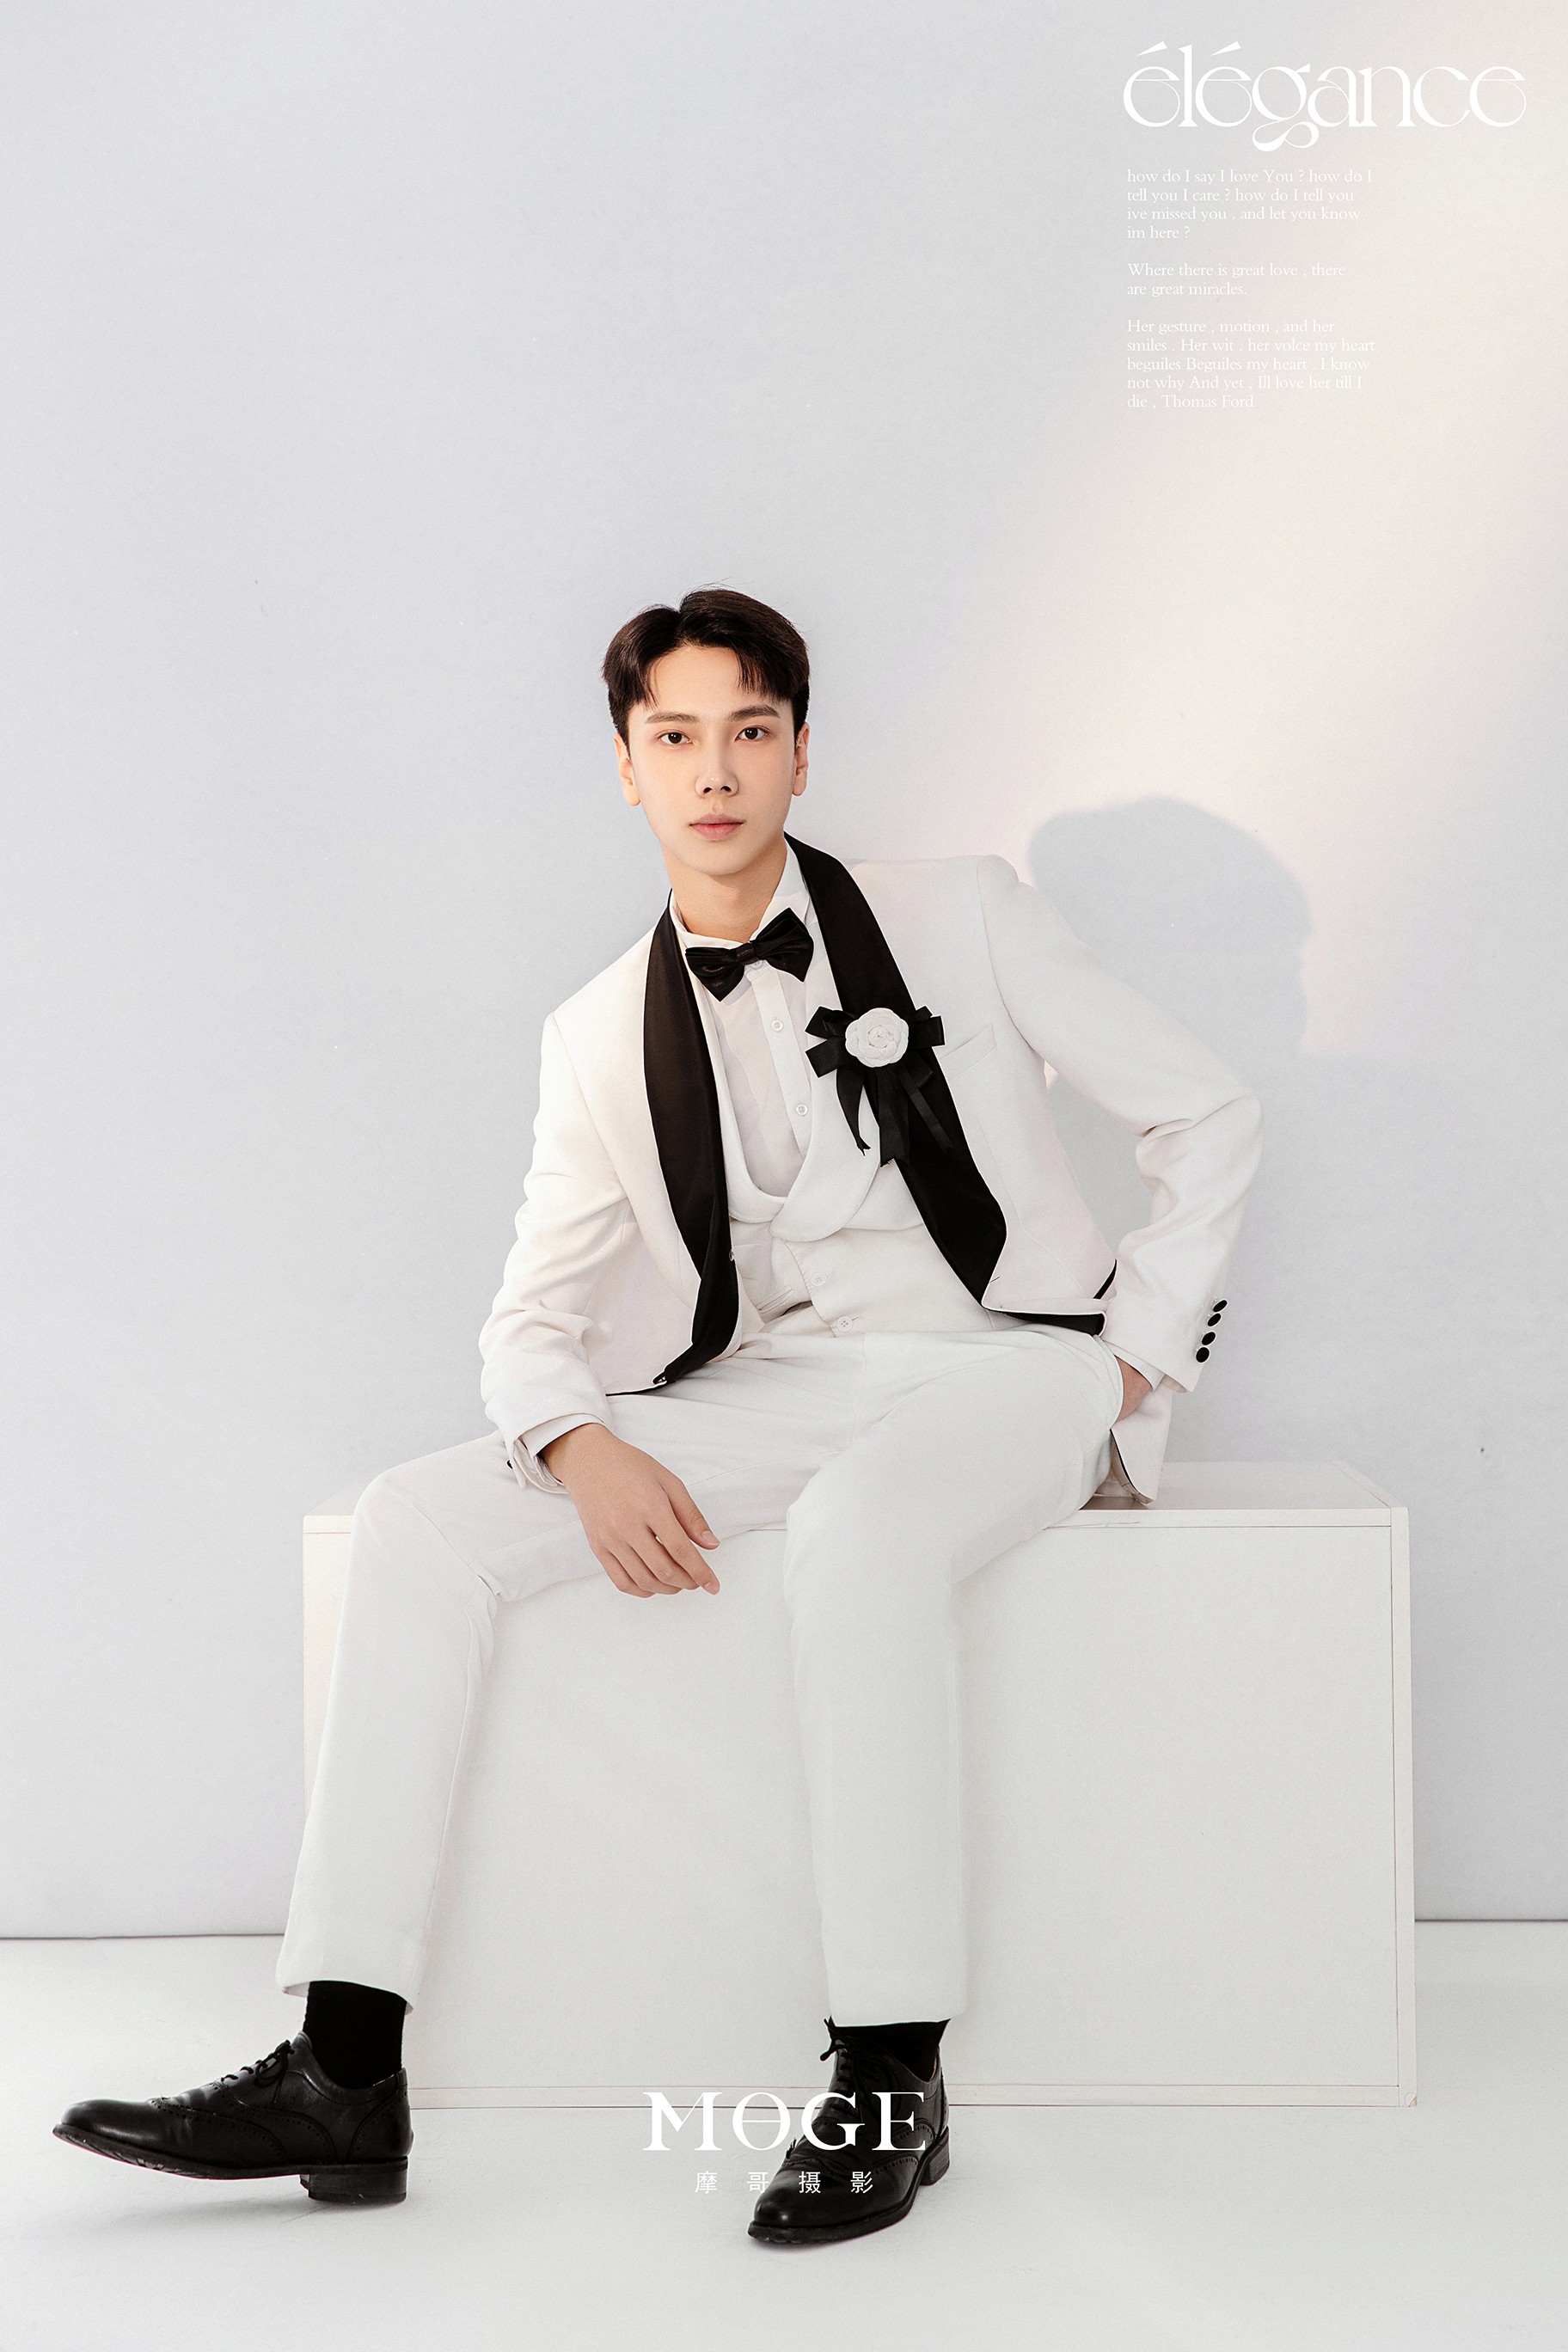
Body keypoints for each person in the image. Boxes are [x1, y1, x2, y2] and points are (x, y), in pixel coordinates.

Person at [55, 588, 1262, 2244]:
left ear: (801, 752)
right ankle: (343, 2068)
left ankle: (891, 2071)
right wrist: (578, 1442)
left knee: (861, 1534)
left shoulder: (964, 913)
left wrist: (1138, 1361)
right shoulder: (593, 1031)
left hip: (1014, 1366)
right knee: (416, 1525)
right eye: (675, 736)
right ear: (626, 767)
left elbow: (1208, 1107)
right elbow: (531, 1315)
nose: (716, 771)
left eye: (750, 731)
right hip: (784, 1388)